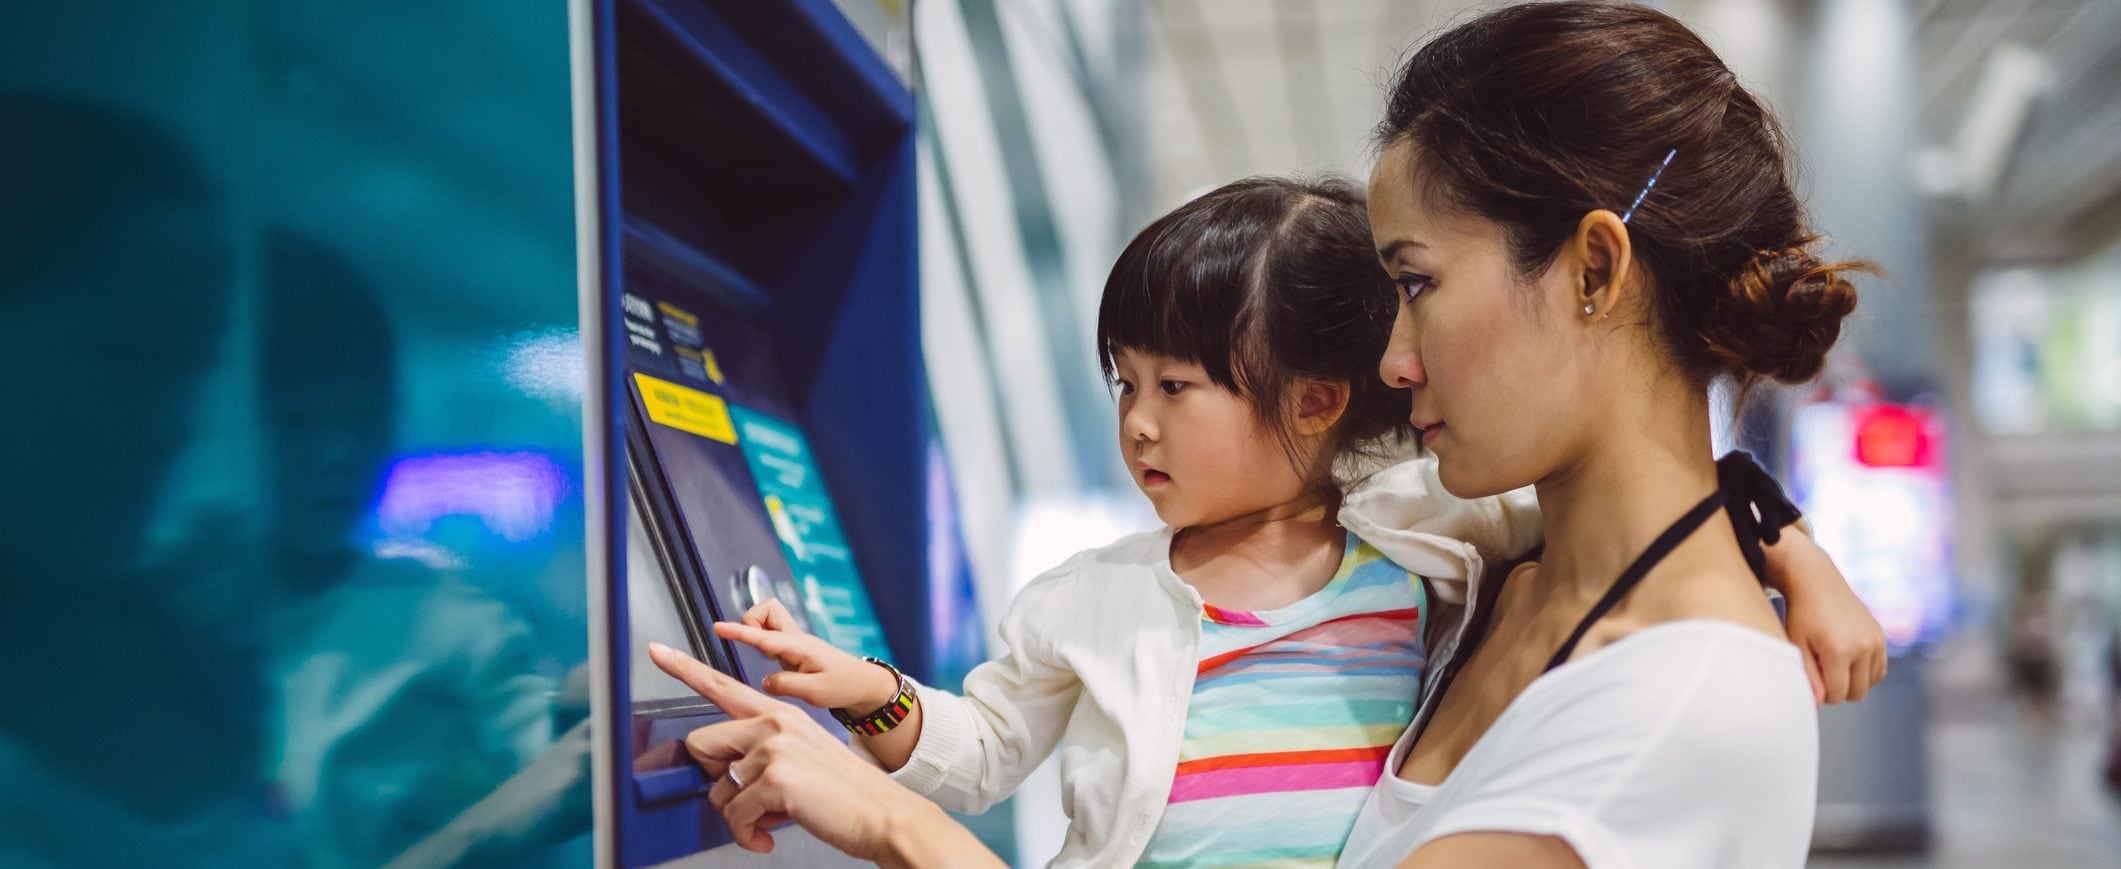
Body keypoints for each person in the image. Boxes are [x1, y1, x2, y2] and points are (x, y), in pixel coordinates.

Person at [648, 124, 1887, 864]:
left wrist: (1797, 556)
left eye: (1177, 386)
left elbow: (1651, 497)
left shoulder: (1430, 538)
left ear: (1312, 400)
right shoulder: (1092, 600)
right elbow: (981, 750)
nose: (1137, 421)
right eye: (1121, 382)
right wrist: (877, 704)